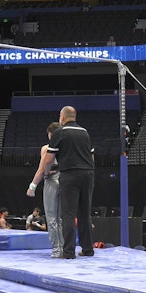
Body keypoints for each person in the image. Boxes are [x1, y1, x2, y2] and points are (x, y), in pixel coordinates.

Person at [41, 106, 95, 259]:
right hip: (88, 174)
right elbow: (92, 157)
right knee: (85, 213)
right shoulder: (85, 132)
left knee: (68, 214)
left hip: (70, 175)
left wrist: (46, 173)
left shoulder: (60, 132)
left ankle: (69, 252)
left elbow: (49, 159)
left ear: (62, 117)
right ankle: (88, 249)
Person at [26, 121, 63, 258]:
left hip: (52, 181)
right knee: (60, 219)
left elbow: (42, 169)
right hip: (65, 181)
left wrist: (32, 186)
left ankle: (56, 250)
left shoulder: (47, 148)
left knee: (52, 218)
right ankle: (64, 248)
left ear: (50, 134)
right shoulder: (67, 147)